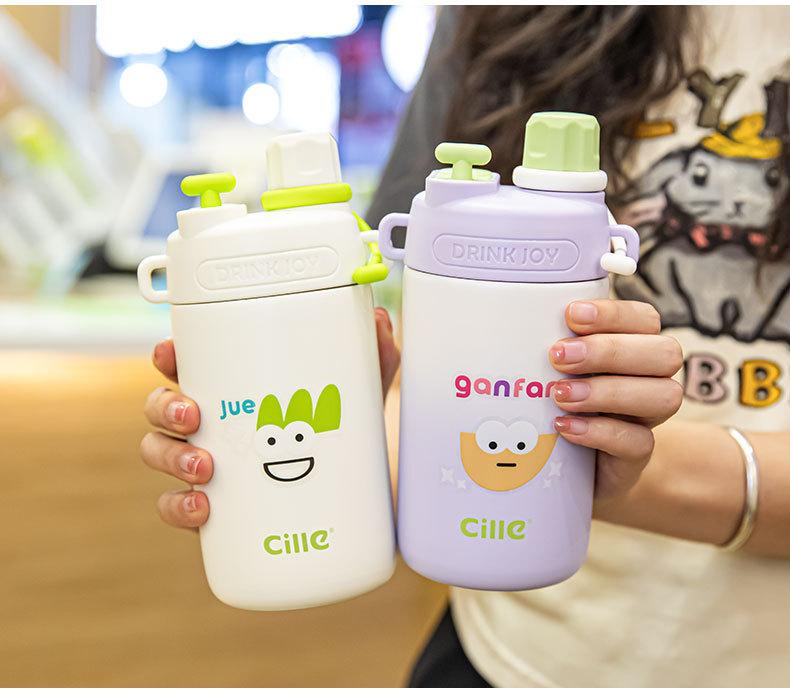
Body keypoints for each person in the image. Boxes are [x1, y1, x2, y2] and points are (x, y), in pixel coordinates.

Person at [139, 6, 790, 687]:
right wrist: (335, 445)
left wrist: (625, 468)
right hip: (507, 649)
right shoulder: (505, 16)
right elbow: (434, 380)